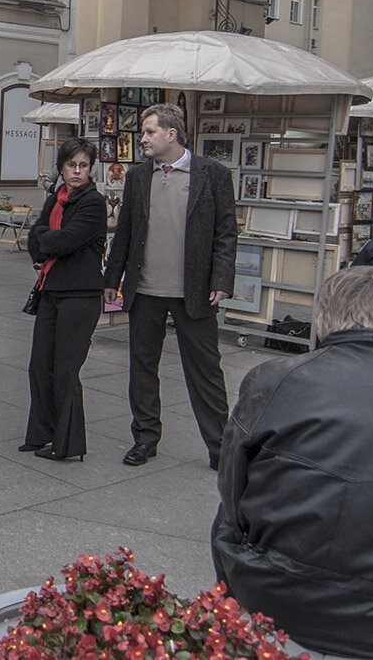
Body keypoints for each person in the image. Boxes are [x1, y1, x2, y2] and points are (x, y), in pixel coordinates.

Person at [211, 266, 373, 659]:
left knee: (226, 516)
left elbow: (233, 493)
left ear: (323, 318)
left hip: (276, 598)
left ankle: (232, 619)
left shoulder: (273, 378)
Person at [103, 102, 236, 469]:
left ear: (171, 134)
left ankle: (221, 448)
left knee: (206, 371)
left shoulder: (213, 174)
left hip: (194, 291)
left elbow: (226, 233)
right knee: (142, 367)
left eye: (149, 132)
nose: (142, 139)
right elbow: (124, 233)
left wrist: (222, 279)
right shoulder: (137, 177)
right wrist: (111, 280)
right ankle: (145, 438)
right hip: (145, 289)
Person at [21, 138, 106, 462]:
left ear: (90, 169)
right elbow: (36, 236)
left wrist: (46, 240)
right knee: (40, 365)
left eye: (83, 165)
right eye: (72, 165)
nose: (77, 171)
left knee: (66, 370)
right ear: (62, 167)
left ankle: (66, 444)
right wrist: (45, 240)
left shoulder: (92, 202)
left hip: (80, 295)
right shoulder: (57, 197)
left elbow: (66, 240)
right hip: (51, 290)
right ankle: (41, 433)